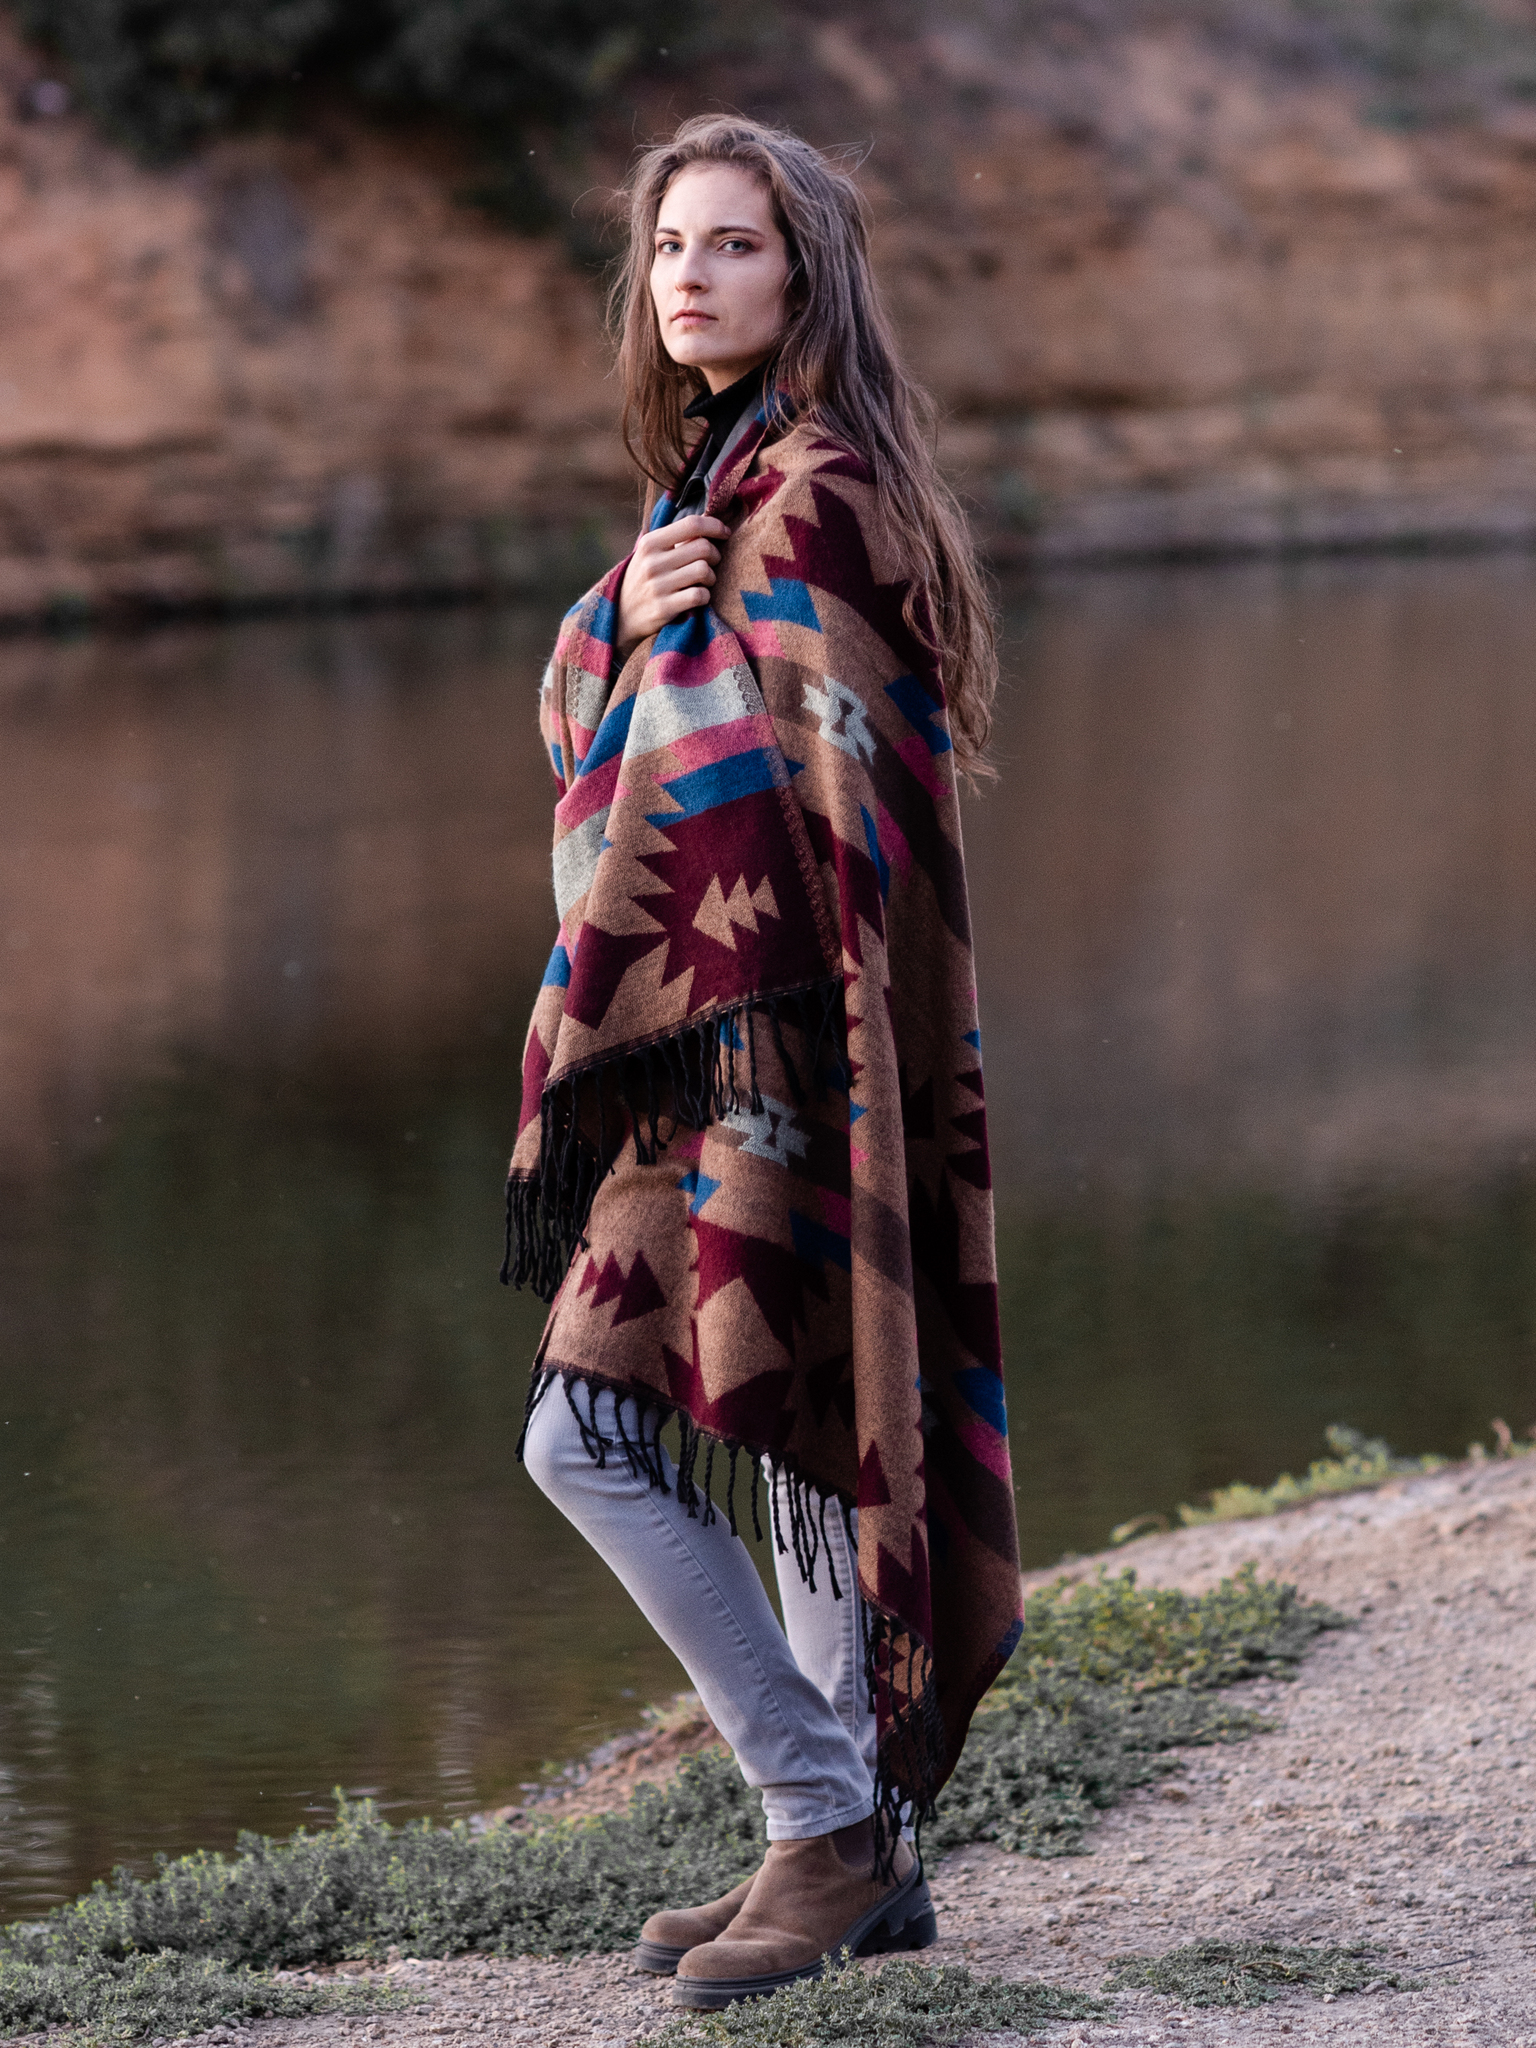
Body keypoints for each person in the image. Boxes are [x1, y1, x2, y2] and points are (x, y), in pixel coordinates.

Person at [505, 113, 1023, 2011]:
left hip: (793, 1055)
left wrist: (652, 633)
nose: (691, 276)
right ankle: (846, 1833)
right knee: (705, 1425)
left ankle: (832, 1829)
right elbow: (623, 738)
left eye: (733, 243)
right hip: (705, 1054)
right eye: (669, 247)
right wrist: (618, 622)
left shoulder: (817, 494)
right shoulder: (706, 490)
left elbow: (840, 815)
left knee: (696, 1429)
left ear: (806, 273)